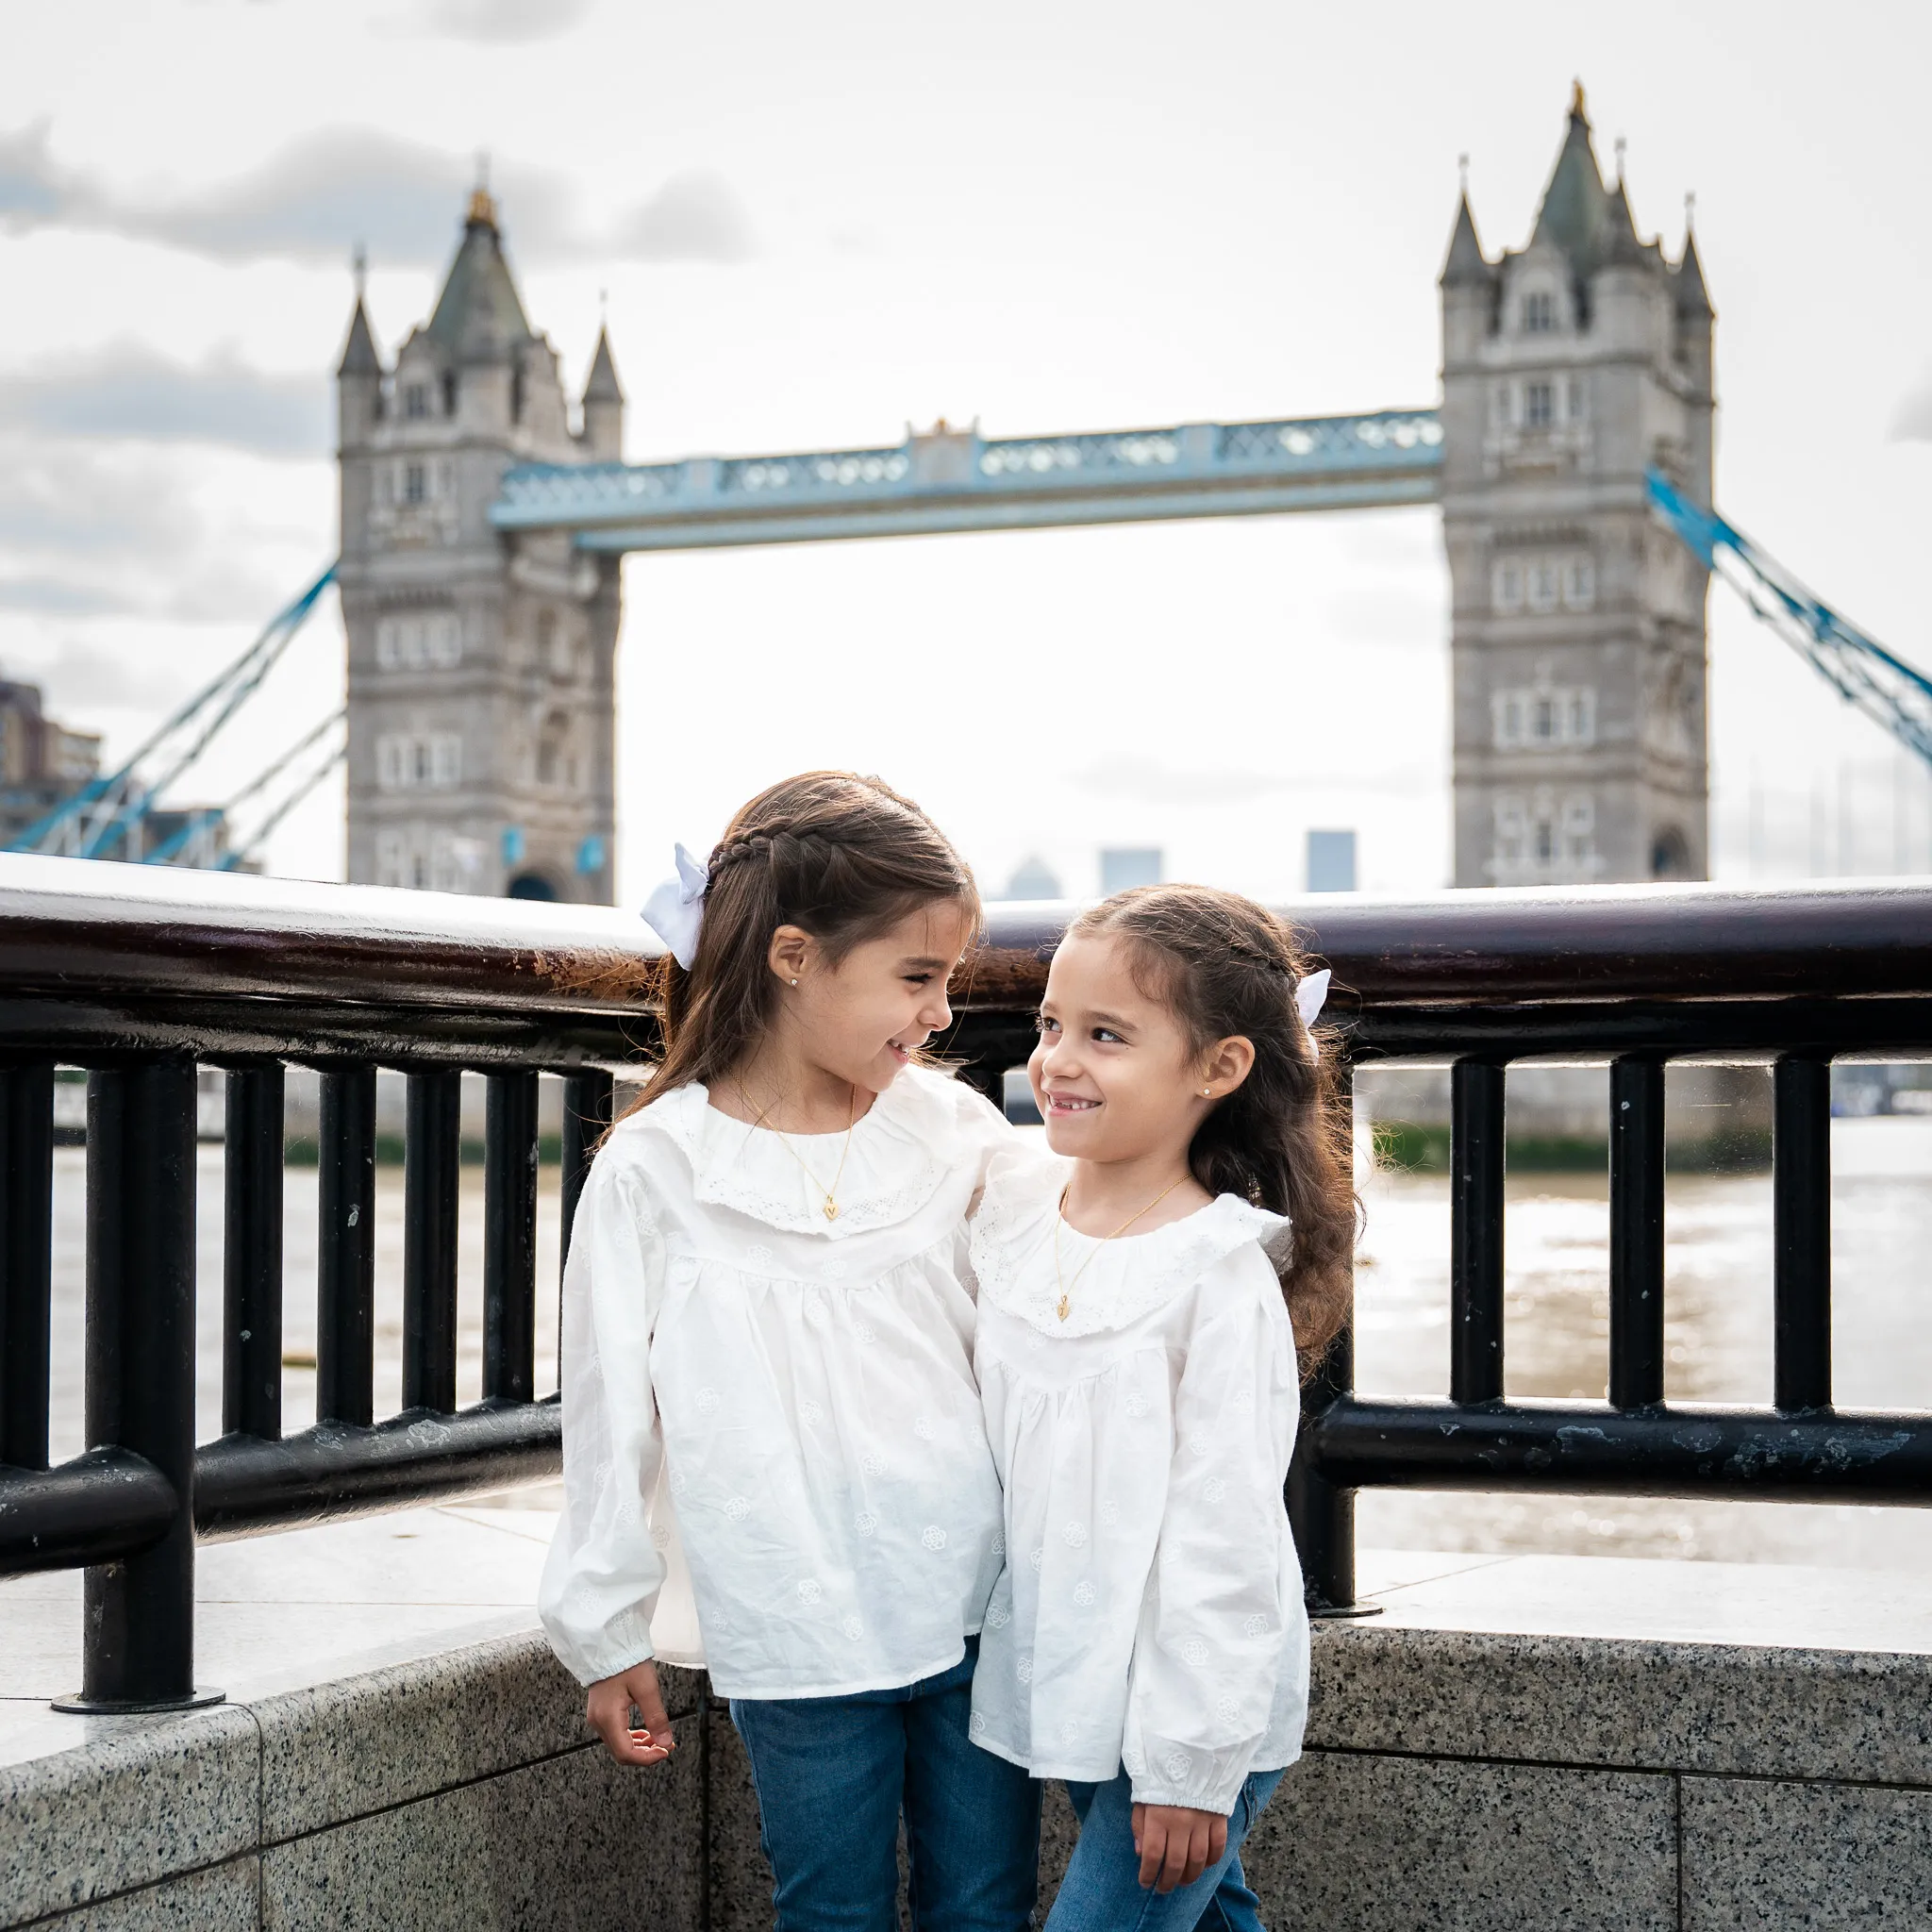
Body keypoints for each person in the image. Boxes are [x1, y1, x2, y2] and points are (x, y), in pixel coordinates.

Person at [539, 771, 1041, 1932]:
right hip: (791, 1614)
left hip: (978, 1594)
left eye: (947, 980)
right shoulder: (656, 1168)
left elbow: (1046, 1333)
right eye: (916, 977)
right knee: (831, 1910)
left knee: (985, 1903)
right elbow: (609, 1424)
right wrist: (606, 1629)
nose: (942, 1014)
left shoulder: (954, 1130)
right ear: (794, 957)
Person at [966, 884, 1356, 1930]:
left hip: (1188, 1710)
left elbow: (1225, 1533)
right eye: (1050, 1024)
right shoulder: (1008, 1213)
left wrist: (1188, 1763)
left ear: (1219, 1067)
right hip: (1073, 1678)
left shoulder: (1214, 1275)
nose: (1056, 1058)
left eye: (1106, 1034)